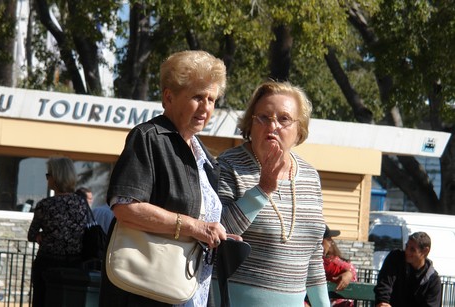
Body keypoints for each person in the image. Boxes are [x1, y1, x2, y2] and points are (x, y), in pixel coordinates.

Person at [99, 50, 240, 307]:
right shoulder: (149, 137)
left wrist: (218, 237)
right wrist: (194, 227)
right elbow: (125, 207)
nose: (206, 107)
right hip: (146, 293)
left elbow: (200, 223)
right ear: (169, 97)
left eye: (212, 99)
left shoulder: (205, 159)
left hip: (191, 290)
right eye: (198, 97)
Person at [216, 81, 330, 306]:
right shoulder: (228, 165)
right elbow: (218, 231)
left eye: (284, 118)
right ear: (251, 122)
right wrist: (262, 189)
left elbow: (313, 255)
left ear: (300, 129)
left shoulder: (310, 175)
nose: (273, 125)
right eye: (264, 117)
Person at [27, 156, 88, 307]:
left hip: (48, 264)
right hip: (74, 264)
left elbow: (31, 234)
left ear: (56, 177)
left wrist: (40, 235)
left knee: (42, 301)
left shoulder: (45, 205)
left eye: (49, 175)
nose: (47, 179)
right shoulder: (81, 203)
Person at [374, 231, 442, 307]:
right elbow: (384, 284)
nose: (407, 251)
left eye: (412, 249)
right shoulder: (395, 258)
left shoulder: (433, 281)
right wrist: (383, 302)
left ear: (425, 251)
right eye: (406, 247)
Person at [306, 226, 357, 307]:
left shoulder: (329, 262)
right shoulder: (325, 261)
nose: (330, 243)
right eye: (329, 239)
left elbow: (351, 270)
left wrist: (349, 274)